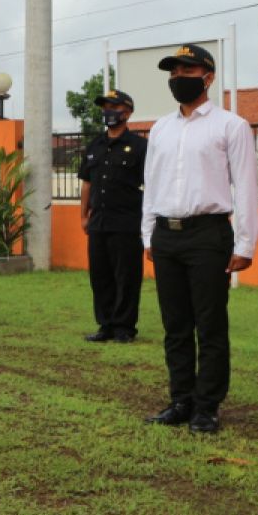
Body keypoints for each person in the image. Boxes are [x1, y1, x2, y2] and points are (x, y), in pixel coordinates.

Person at [141, 44, 258, 434]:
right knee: (175, 324)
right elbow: (152, 184)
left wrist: (245, 244)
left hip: (208, 235)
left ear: (208, 77)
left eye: (187, 71)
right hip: (167, 235)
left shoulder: (231, 125)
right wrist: (148, 234)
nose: (178, 78)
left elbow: (244, 187)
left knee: (209, 324)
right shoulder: (161, 128)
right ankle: (181, 399)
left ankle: (207, 406)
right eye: (173, 72)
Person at [78, 90, 146, 343]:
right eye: (105, 107)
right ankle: (105, 325)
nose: (108, 112)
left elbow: (151, 184)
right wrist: (83, 217)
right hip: (98, 223)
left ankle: (124, 328)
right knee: (100, 276)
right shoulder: (95, 145)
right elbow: (86, 184)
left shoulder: (140, 146)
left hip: (127, 223)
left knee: (126, 277)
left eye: (113, 107)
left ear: (127, 112)